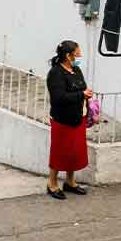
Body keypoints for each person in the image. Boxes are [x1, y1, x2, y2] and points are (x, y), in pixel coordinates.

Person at [46, 40, 92, 200]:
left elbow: (82, 87)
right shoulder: (56, 73)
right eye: (77, 54)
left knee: (74, 152)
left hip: (78, 118)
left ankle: (70, 182)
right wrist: (81, 95)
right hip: (62, 120)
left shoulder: (76, 69)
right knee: (59, 152)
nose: (80, 57)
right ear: (68, 55)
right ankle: (52, 184)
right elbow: (59, 97)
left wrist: (87, 95)